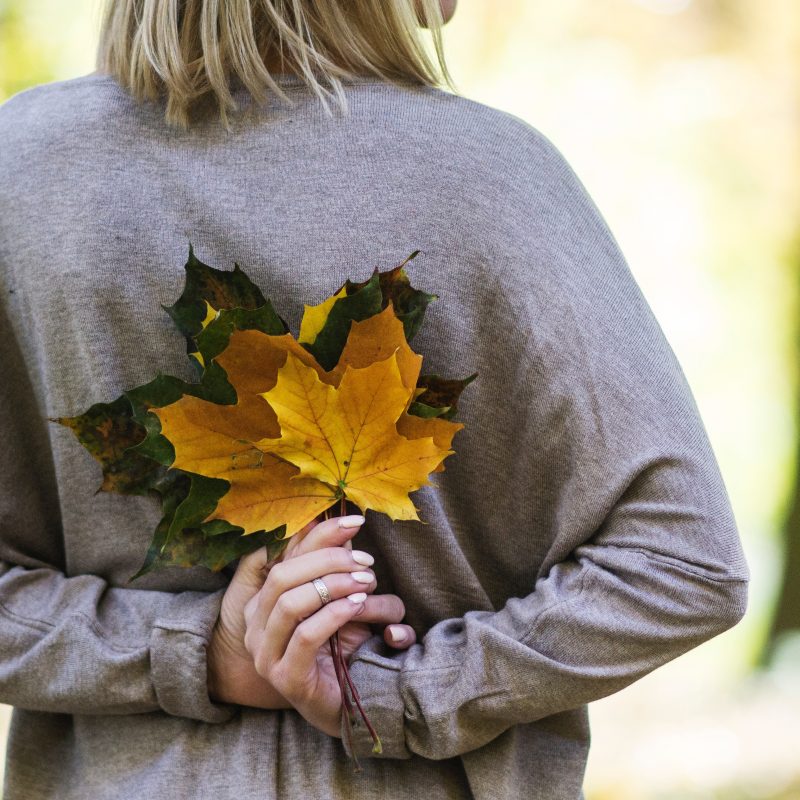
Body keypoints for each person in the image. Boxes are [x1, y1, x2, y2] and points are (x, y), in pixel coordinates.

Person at [0, 1, 750, 798]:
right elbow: (683, 562)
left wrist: (187, 651)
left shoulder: (24, 167)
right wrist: (398, 694)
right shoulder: (489, 174)